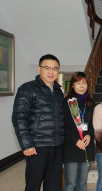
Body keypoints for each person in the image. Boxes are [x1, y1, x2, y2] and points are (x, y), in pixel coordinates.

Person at [12, 54, 64, 191]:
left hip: (57, 146)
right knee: (33, 185)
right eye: (47, 68)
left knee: (54, 185)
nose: (51, 72)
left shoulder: (59, 91)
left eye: (55, 68)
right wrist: (27, 144)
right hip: (37, 147)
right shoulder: (27, 89)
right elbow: (19, 117)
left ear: (58, 71)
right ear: (39, 69)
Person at [63, 72, 95, 191]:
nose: (82, 86)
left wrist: (90, 135)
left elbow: (93, 124)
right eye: (78, 83)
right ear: (72, 85)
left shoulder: (91, 103)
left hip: (86, 146)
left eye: (84, 83)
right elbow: (63, 126)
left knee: (82, 183)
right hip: (71, 147)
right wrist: (75, 140)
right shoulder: (67, 103)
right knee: (70, 183)